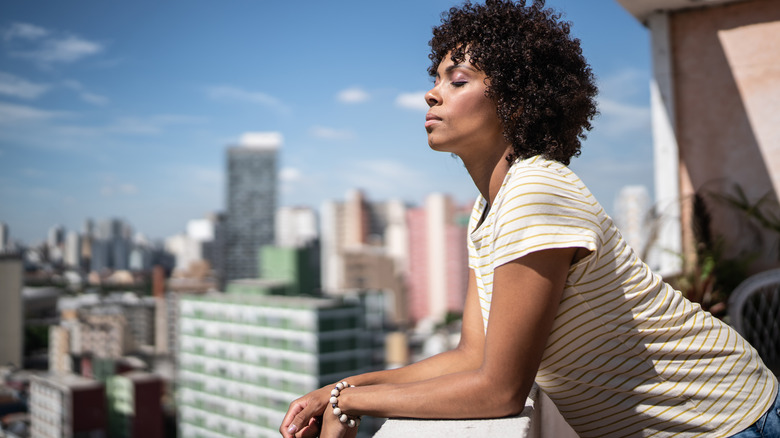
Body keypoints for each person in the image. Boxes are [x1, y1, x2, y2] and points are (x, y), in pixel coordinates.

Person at [280, 1, 779, 437]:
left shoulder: (535, 190)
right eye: (434, 80)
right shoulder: (487, 209)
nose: (431, 94)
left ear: (516, 100)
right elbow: (470, 358)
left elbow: (498, 390)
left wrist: (352, 401)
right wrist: (342, 388)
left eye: (456, 80)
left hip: (728, 421)